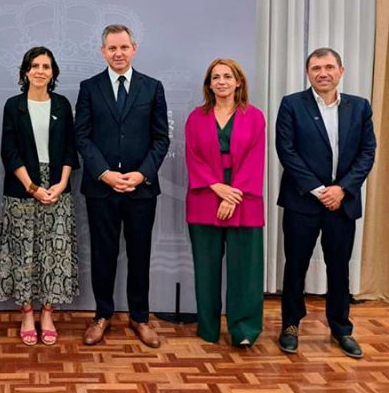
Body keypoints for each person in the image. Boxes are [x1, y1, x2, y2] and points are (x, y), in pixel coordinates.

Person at [276, 47, 376, 359]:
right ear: (308, 73)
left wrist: (342, 189)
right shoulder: (292, 104)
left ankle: (341, 328)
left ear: (341, 71)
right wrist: (320, 190)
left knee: (339, 268)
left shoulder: (359, 107)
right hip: (302, 202)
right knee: (295, 266)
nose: (323, 73)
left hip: (342, 204)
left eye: (329, 67)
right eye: (316, 67)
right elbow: (287, 151)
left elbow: (367, 152)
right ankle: (291, 325)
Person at [74, 24, 169, 348]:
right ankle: (102, 315)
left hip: (141, 189)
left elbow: (160, 138)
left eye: (123, 47)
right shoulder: (89, 88)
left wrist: (141, 174)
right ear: (103, 51)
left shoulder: (152, 87)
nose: (118, 53)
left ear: (134, 48)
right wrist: (103, 173)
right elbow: (82, 136)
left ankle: (140, 317)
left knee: (140, 253)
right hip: (102, 188)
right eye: (112, 48)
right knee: (104, 253)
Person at [0, 46, 80, 346]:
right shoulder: (13, 105)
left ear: (53, 72)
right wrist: (32, 187)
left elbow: (71, 148)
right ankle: (27, 312)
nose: (40, 71)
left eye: (46, 66)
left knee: (54, 253)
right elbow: (9, 151)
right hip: (22, 188)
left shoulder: (62, 104)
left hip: (58, 187)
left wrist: (61, 183)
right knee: (24, 253)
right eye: (34, 66)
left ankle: (47, 312)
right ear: (25, 72)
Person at [185, 58, 266, 347]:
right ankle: (208, 328)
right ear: (209, 84)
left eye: (227, 76)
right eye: (215, 77)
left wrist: (233, 194)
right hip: (205, 196)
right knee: (206, 268)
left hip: (244, 199)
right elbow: (192, 156)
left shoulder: (255, 116)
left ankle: (244, 330)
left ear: (238, 81)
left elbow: (256, 159)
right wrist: (218, 187)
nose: (221, 81)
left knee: (245, 268)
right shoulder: (196, 117)